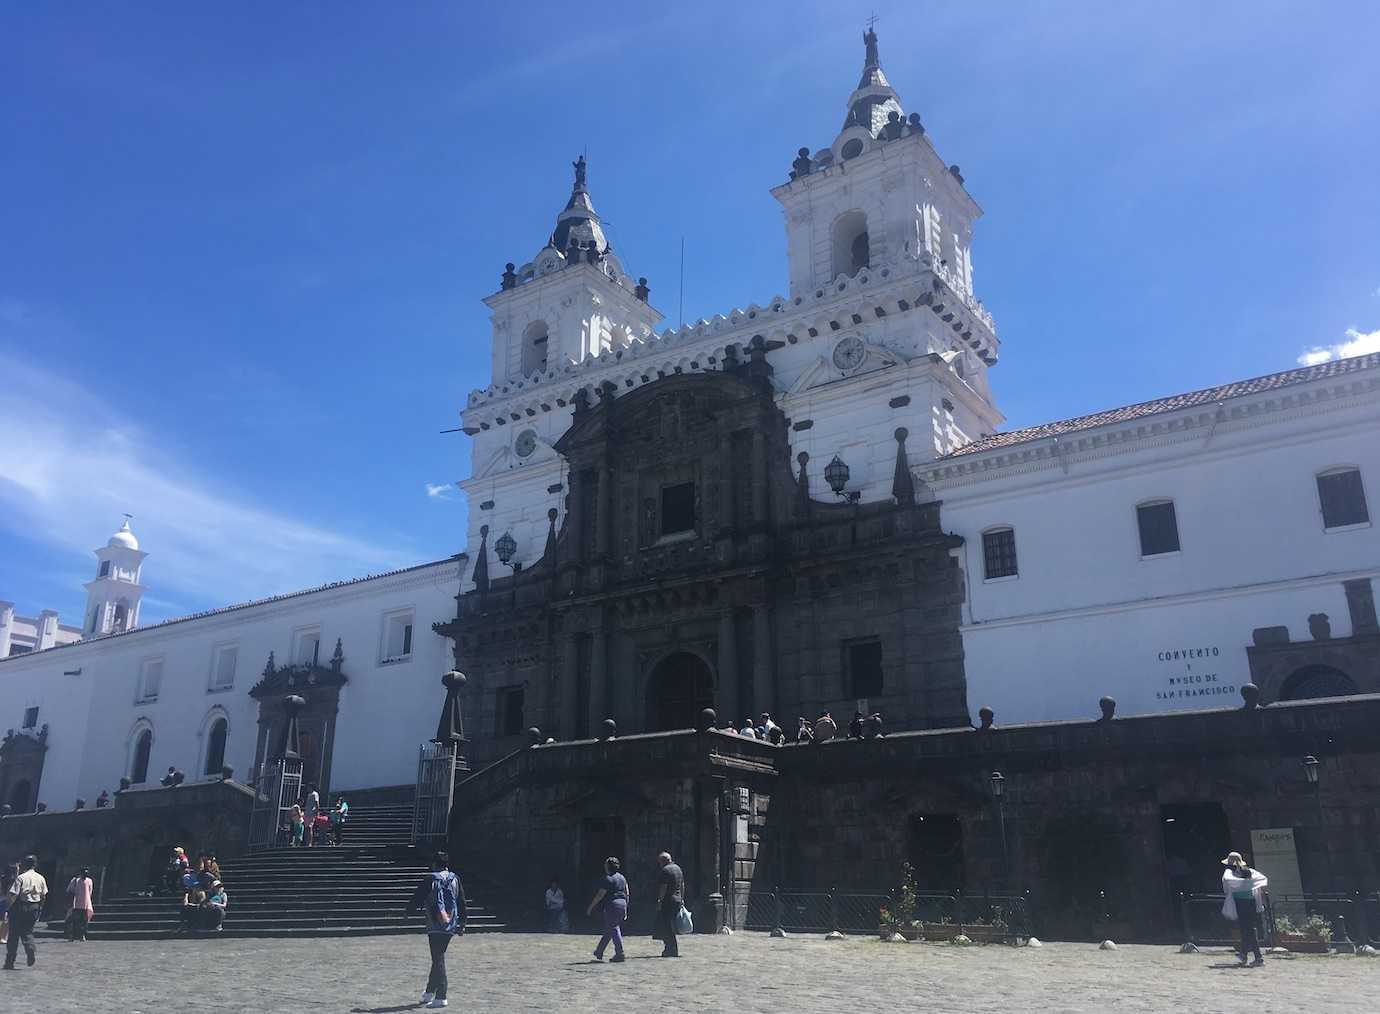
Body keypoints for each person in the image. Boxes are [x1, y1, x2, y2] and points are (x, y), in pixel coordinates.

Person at [409, 852, 465, 1009]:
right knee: (438, 957)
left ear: (435, 863)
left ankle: (441, 996)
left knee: (438, 958)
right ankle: (429, 992)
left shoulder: (431, 878)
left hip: (435, 923)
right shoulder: (455, 878)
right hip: (450, 922)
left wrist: (409, 911)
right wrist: (463, 923)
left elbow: (418, 897)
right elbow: (461, 901)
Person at [1221, 851, 1268, 966]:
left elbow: (1227, 883)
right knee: (1247, 929)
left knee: (1247, 929)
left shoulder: (1231, 873)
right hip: (1251, 902)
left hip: (1240, 902)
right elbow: (1262, 879)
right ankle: (1244, 954)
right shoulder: (1249, 872)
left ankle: (1256, 957)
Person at [5, 855, 47, 968]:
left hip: (20, 907)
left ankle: (10, 961)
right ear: (35, 864)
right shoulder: (41, 878)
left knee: (13, 935)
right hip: (34, 907)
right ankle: (30, 948)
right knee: (28, 932)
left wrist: (7, 908)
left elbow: (14, 894)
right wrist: (40, 908)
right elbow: (43, 896)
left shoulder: (21, 878)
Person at [587, 857, 629, 962]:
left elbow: (600, 895)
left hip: (612, 905)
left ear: (607, 867)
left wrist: (591, 907)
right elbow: (627, 892)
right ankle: (599, 951)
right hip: (622, 903)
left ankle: (620, 953)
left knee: (613, 928)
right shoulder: (622, 878)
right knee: (609, 929)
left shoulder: (608, 878)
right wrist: (626, 908)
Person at [652, 851, 684, 958]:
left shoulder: (665, 870)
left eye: (659, 862)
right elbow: (682, 885)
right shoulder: (678, 869)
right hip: (677, 900)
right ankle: (670, 948)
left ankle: (671, 949)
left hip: (668, 900)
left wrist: (659, 901)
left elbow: (663, 888)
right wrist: (682, 898)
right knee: (670, 925)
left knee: (666, 926)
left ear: (663, 861)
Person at [65, 867, 95, 941]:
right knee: (74, 921)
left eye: (87, 873)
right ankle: (72, 936)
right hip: (76, 904)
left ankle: (82, 935)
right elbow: (69, 890)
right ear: (81, 873)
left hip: (86, 904)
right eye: (84, 873)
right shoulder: (75, 880)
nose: (85, 875)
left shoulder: (89, 881)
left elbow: (90, 892)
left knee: (84, 921)